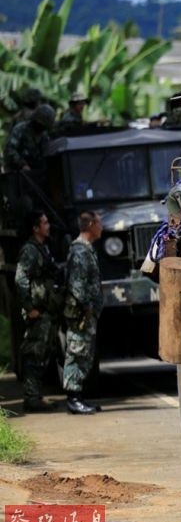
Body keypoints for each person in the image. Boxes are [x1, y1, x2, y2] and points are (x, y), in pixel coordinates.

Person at [14, 211, 62, 412]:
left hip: (45, 309)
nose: (48, 225)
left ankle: (36, 396)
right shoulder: (30, 251)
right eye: (44, 222)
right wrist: (29, 307)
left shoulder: (42, 248)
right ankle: (32, 399)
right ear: (35, 228)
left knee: (42, 353)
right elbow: (21, 279)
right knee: (34, 354)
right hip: (37, 310)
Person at [63, 211, 103, 414]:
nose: (101, 227)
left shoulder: (86, 249)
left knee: (84, 353)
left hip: (86, 313)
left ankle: (79, 397)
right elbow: (77, 285)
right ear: (90, 225)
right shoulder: (80, 251)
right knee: (77, 352)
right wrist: (87, 307)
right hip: (81, 314)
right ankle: (73, 398)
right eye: (99, 223)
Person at [4, 104, 55, 173]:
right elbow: (9, 150)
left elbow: (46, 153)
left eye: (44, 127)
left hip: (35, 172)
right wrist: (22, 164)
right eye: (40, 125)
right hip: (17, 171)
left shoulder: (44, 136)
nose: (42, 129)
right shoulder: (20, 129)